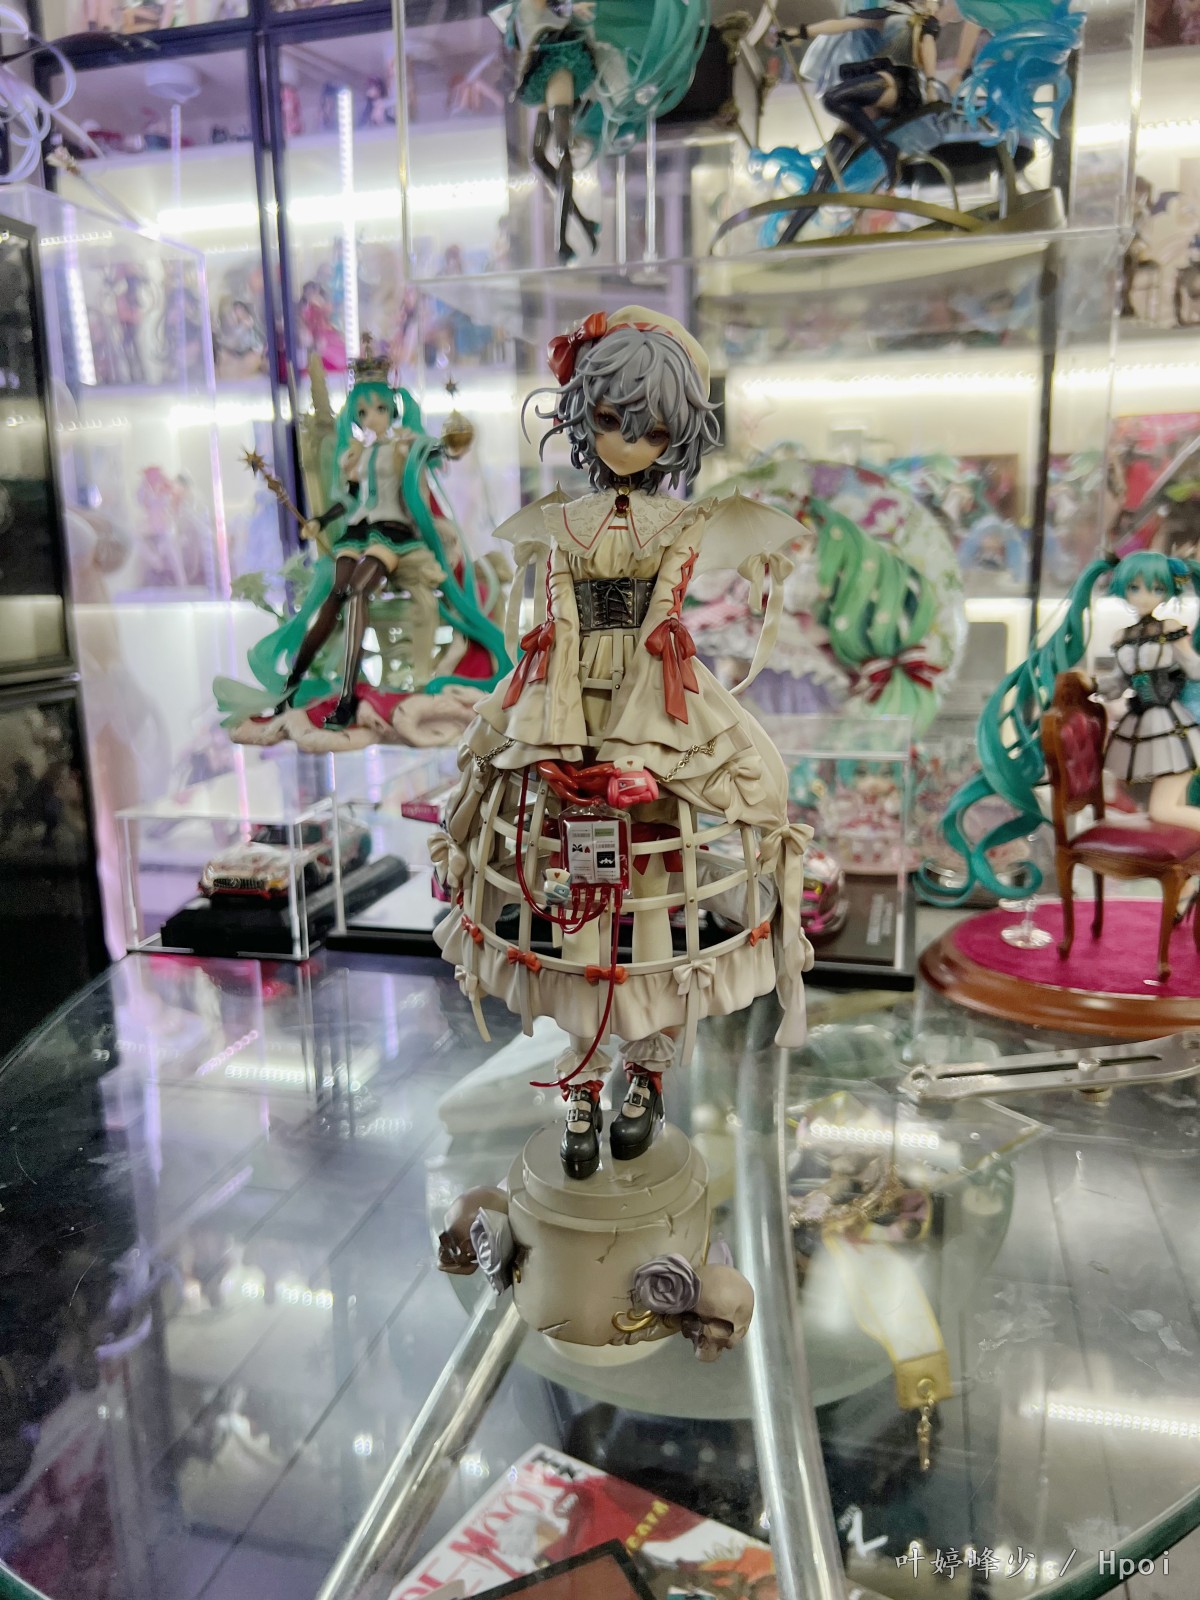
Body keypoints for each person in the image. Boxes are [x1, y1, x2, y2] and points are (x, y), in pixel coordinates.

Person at [432, 308, 812, 1180]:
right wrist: (557, 731)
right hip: (567, 692)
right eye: (610, 420)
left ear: (680, 436)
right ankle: (577, 1079)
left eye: (653, 430)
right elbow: (560, 618)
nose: (629, 444)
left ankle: (643, 1072)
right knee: (570, 894)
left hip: (656, 695)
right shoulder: (561, 523)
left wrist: (639, 751)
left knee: (650, 893)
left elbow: (660, 621)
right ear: (580, 416)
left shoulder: (682, 526)